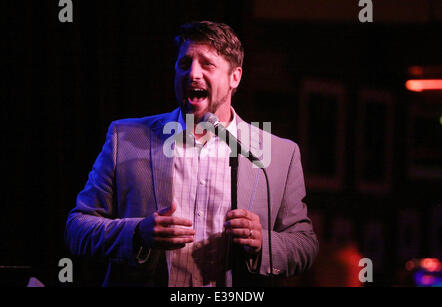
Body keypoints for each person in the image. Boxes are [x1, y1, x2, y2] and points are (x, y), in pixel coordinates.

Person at [65, 21, 318, 287]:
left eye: (207, 64)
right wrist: (137, 233)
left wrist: (262, 243)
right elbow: (77, 228)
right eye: (184, 63)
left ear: (235, 77)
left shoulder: (279, 154)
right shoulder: (126, 137)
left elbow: (305, 245)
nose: (193, 73)